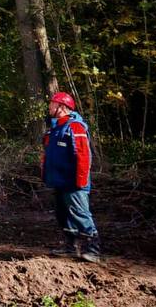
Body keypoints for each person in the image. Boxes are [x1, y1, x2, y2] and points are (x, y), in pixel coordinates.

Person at [41, 91, 100, 262]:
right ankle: (70, 246)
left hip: (73, 183)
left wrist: (80, 181)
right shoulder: (55, 128)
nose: (49, 107)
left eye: (52, 104)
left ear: (62, 107)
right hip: (59, 181)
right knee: (63, 215)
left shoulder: (75, 127)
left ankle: (93, 249)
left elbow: (83, 156)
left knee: (80, 213)